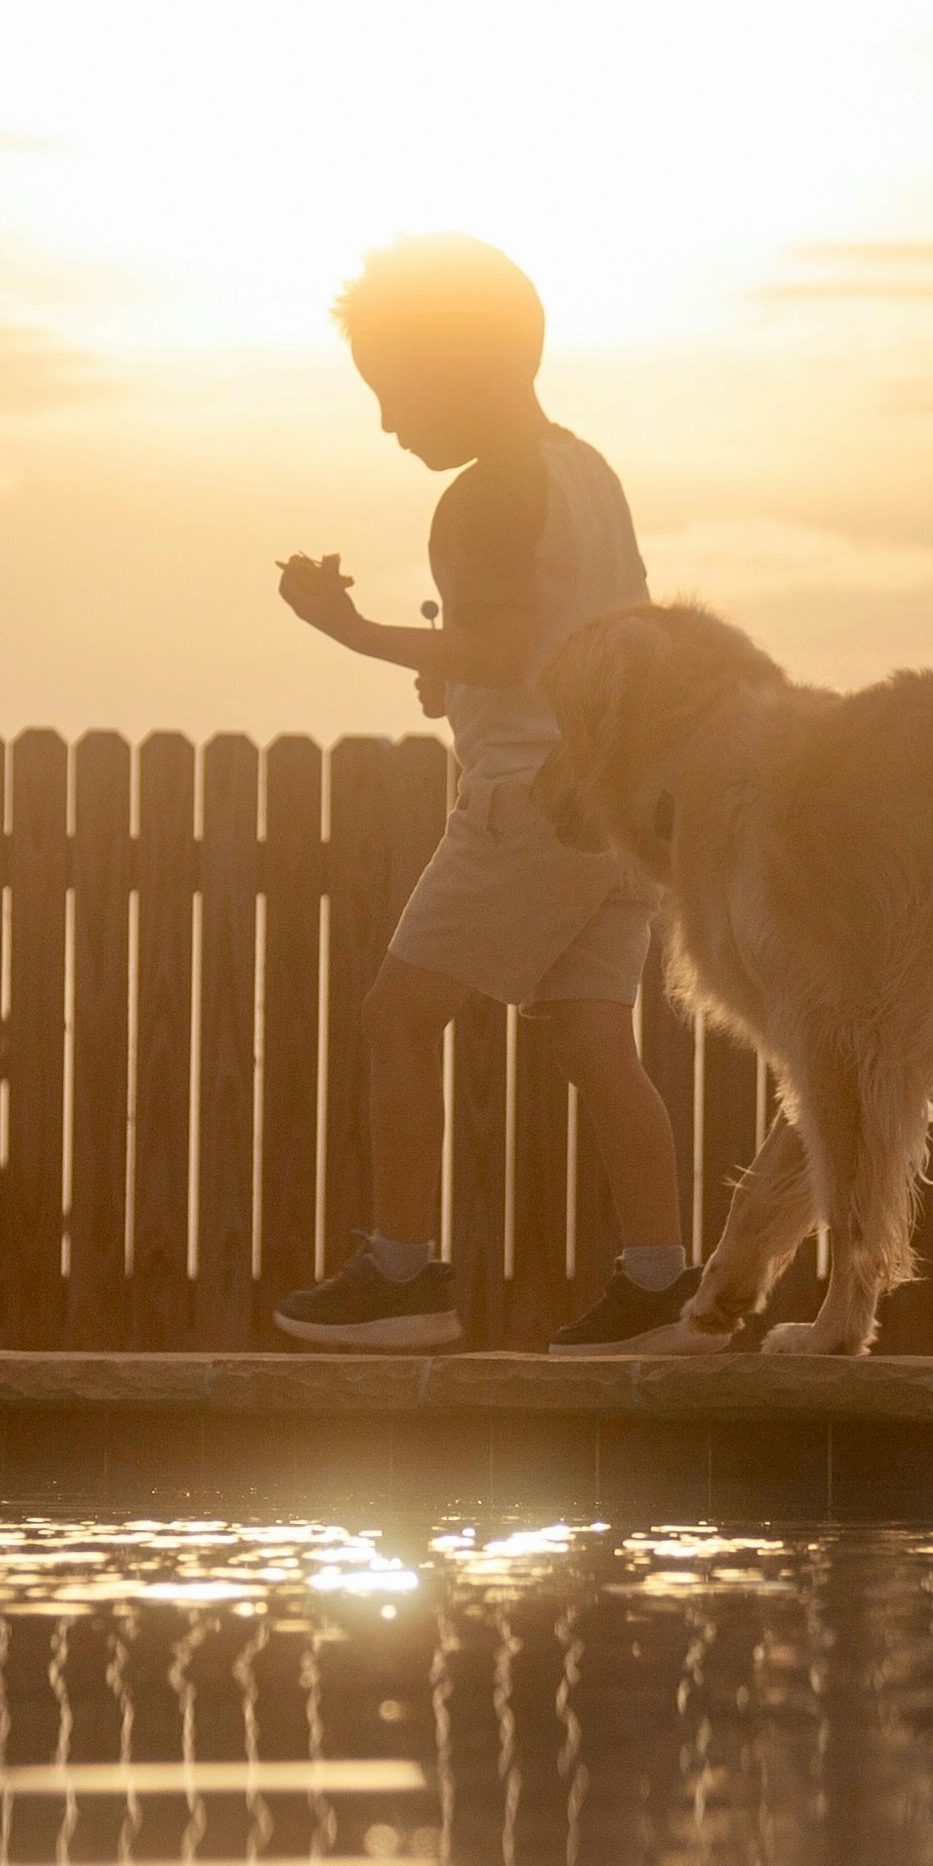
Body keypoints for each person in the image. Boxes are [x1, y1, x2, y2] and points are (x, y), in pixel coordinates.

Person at [268, 234, 711, 1352]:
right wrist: (444, 659)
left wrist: (350, 629)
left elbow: (511, 653)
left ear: (463, 369)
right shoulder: (584, 471)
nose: (387, 421)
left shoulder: (481, 497)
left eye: (396, 390)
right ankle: (663, 1288)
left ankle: (402, 1275)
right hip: (613, 801)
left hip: (527, 806)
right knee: (592, 1039)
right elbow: (594, 630)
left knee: (397, 1018)